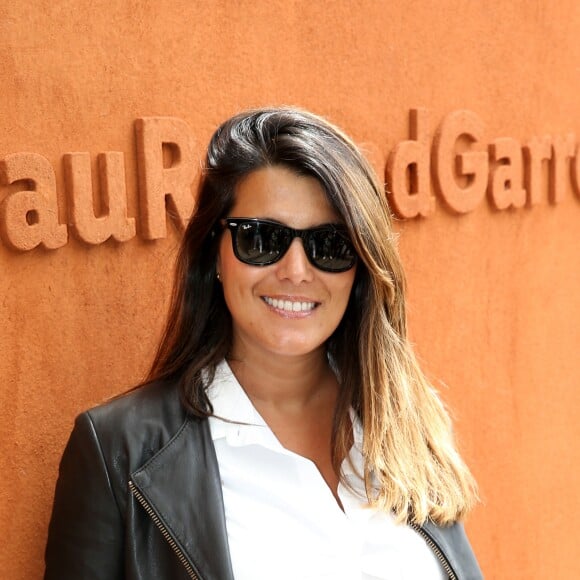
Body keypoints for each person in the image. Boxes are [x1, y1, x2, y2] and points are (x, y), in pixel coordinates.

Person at [45, 107, 482, 580]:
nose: (296, 270)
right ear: (215, 253)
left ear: (360, 268)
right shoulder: (118, 453)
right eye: (261, 239)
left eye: (329, 244)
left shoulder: (404, 423)